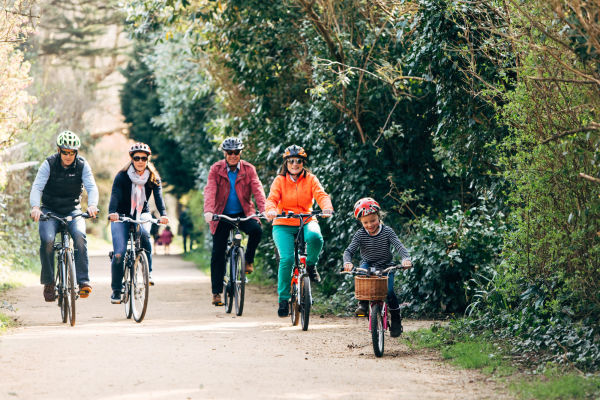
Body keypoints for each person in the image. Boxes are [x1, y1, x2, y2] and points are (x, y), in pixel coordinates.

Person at [264, 145, 334, 318]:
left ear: (303, 162)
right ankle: (283, 299)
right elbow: (271, 199)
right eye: (291, 161)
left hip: (306, 219)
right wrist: (271, 210)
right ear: (286, 163)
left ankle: (310, 265)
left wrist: (326, 208)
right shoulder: (279, 181)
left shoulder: (311, 179)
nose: (295, 164)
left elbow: (321, 195)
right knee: (287, 259)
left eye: (298, 161)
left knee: (316, 237)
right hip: (283, 223)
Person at [29, 130, 99, 301]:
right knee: (48, 240)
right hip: (49, 210)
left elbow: (91, 187)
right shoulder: (49, 164)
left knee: (80, 237)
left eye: (72, 152)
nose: (68, 156)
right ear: (59, 150)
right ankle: (49, 282)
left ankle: (83, 282)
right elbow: (37, 187)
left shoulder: (82, 165)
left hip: (73, 210)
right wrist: (35, 207)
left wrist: (92, 205)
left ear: (76, 152)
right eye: (65, 152)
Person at [203, 137, 266, 306]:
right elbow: (210, 190)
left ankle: (249, 260)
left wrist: (265, 209)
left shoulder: (249, 169)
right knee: (218, 253)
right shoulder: (216, 169)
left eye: (236, 152)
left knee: (256, 230)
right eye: (229, 153)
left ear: (240, 153)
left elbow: (258, 190)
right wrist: (209, 211)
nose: (233, 156)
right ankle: (217, 293)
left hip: (244, 212)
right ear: (224, 153)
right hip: (221, 215)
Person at [108, 142, 169, 303]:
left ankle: (147, 272)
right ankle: (116, 289)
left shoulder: (153, 178)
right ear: (132, 159)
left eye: (143, 158)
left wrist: (163, 214)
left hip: (142, 213)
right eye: (137, 158)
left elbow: (159, 198)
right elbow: (114, 195)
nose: (140, 161)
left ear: (148, 159)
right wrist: (112, 213)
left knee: (143, 234)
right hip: (121, 216)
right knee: (120, 253)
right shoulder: (122, 176)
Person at [342, 197, 412, 337]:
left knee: (389, 291)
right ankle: (362, 305)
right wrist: (347, 262)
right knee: (361, 276)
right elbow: (348, 251)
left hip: (386, 266)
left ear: (379, 217)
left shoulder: (387, 232)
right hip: (368, 265)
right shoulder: (360, 234)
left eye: (373, 220)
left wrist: (406, 259)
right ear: (361, 222)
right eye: (365, 222)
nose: (370, 225)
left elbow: (400, 247)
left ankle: (396, 319)